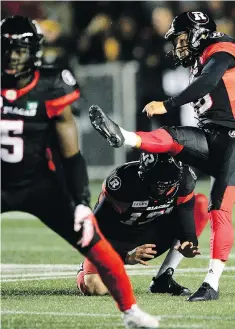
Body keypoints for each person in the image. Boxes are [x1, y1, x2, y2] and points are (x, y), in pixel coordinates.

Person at [0, 16, 159, 328]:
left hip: (39, 183)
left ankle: (130, 312)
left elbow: (71, 154)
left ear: (33, 51)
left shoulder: (51, 84)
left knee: (94, 242)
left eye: (20, 51)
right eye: (7, 49)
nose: (12, 58)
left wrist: (83, 203)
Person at [88, 10, 235, 302]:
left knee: (219, 209)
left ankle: (212, 283)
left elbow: (207, 83)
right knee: (173, 138)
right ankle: (125, 137)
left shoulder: (222, 49)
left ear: (197, 33)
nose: (178, 46)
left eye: (181, 38)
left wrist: (168, 103)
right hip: (212, 134)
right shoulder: (200, 58)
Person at [76, 152, 209, 296]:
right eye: (155, 185)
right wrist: (125, 255)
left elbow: (187, 227)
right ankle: (89, 268)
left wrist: (189, 244)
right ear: (142, 175)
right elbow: (90, 234)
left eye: (166, 187)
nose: (160, 191)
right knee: (95, 287)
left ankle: (164, 278)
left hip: (150, 238)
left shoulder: (185, 180)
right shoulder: (123, 183)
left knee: (200, 204)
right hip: (113, 241)